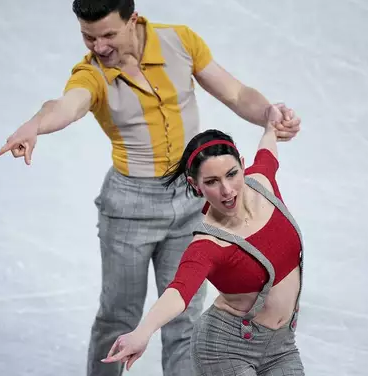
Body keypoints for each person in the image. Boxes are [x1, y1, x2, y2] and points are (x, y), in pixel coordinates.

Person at [0, 0, 301, 375]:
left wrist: (269, 113)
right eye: (88, 37)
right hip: (130, 208)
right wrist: (36, 124)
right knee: (119, 316)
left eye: (108, 35)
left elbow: (236, 93)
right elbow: (65, 106)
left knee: (185, 316)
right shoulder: (92, 74)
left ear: (132, 20)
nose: (99, 46)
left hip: (193, 199)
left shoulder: (179, 42)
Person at [101, 108, 305, 375]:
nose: (227, 190)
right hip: (225, 349)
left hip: (282, 345)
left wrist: (270, 127)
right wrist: (143, 331)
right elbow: (178, 292)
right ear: (195, 185)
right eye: (212, 181)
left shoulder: (262, 182)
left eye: (232, 174)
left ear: (243, 166)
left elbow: (267, 152)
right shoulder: (208, 244)